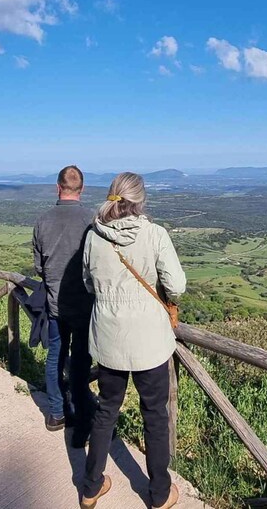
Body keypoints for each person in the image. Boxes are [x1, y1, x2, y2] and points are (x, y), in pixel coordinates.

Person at [79, 172, 186, 509]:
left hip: (108, 337)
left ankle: (91, 486)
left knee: (106, 410)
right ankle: (158, 494)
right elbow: (177, 285)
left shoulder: (94, 236)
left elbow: (87, 282)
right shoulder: (155, 234)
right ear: (141, 201)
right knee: (154, 415)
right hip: (149, 342)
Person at [32, 165, 96, 441]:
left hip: (55, 305)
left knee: (55, 357)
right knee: (82, 361)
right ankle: (83, 415)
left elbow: (39, 268)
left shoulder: (43, 221)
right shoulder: (92, 221)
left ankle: (57, 413)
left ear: (57, 188)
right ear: (81, 190)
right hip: (84, 307)